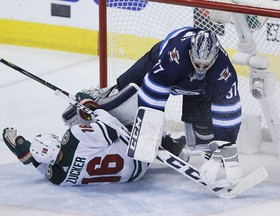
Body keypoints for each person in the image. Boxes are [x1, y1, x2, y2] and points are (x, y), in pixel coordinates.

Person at [63, 27, 243, 188]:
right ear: (190, 53)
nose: (201, 68)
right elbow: (152, 93)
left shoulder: (223, 71)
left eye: (206, 65)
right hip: (158, 61)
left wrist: (226, 144)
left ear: (215, 57)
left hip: (200, 87)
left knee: (205, 126)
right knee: (125, 92)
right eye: (198, 63)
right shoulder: (174, 56)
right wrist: (147, 130)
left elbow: (229, 109)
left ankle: (176, 145)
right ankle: (98, 102)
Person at [2, 108, 148, 186]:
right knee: (106, 111)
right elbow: (113, 128)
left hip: (133, 175)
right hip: (138, 150)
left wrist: (32, 158)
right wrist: (93, 109)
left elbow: (47, 169)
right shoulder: (75, 136)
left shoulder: (59, 179)